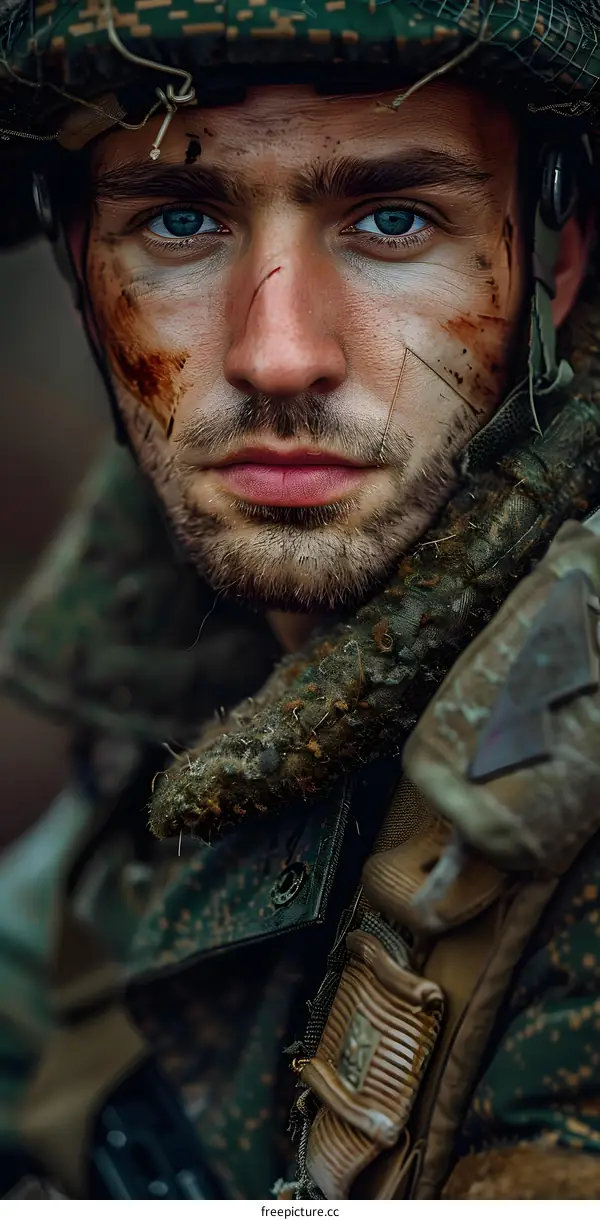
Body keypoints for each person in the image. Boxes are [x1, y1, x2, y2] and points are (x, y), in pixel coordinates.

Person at [0, 0, 600, 1199]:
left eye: (392, 218)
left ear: (557, 254)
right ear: (80, 265)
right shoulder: (156, 651)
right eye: (179, 220)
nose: (277, 354)